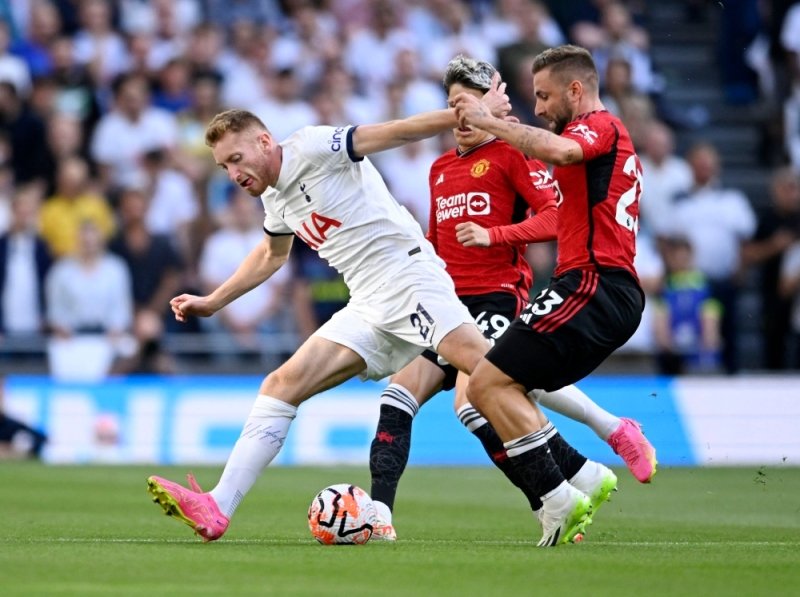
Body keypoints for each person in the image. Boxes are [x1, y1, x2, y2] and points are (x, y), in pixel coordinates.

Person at [147, 83, 594, 544]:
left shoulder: (313, 145)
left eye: (236, 158)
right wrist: (212, 301)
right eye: (224, 167)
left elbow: (395, 133)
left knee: (492, 374)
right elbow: (270, 256)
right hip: (368, 302)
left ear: (264, 141)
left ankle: (577, 473)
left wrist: (471, 118)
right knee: (281, 386)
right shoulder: (274, 198)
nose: (232, 173)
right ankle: (219, 506)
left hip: (409, 278)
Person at [368, 55, 657, 541]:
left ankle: (566, 487)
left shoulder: (528, 150)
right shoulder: (440, 168)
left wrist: (495, 234)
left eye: (467, 105)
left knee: (484, 391)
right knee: (402, 397)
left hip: (500, 298)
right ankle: (378, 516)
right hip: (447, 308)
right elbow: (438, 243)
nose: (458, 116)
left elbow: (553, 217)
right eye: (451, 105)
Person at [453, 44, 652, 546]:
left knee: (485, 386)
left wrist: (488, 122)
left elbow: (560, 149)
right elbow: (556, 206)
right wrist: (495, 120)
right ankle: (585, 472)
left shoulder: (601, 126)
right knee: (497, 384)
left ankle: (560, 498)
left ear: (576, 90)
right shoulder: (583, 149)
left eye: (543, 96)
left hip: (595, 284)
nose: (538, 108)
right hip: (589, 286)